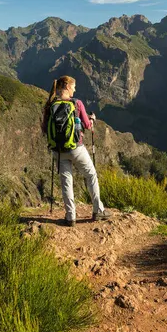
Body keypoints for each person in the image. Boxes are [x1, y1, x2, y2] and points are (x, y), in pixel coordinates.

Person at [42, 75, 112, 227]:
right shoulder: (77, 103)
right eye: (73, 86)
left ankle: (70, 217)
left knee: (66, 182)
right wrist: (92, 119)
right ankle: (98, 210)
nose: (75, 89)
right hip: (76, 148)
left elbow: (44, 128)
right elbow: (87, 125)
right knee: (91, 175)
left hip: (58, 150)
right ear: (67, 86)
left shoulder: (50, 104)